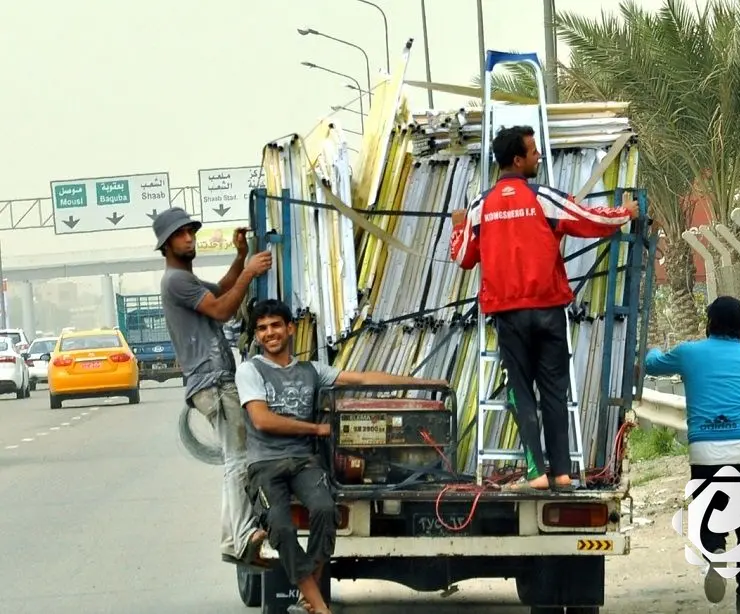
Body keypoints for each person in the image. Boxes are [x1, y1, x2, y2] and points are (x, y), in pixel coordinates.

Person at [448, 124, 639, 493]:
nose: (538, 156)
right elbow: (589, 220)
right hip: (549, 311)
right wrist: (625, 213)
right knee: (554, 391)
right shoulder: (543, 198)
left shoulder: (480, 207)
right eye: (533, 151)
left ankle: (536, 474)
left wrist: (458, 228)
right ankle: (562, 474)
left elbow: (463, 258)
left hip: (508, 315)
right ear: (518, 160)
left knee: (520, 392)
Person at [235, 298, 447, 614]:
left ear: (290, 329)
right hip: (264, 464)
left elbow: (362, 379)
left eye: (275, 325)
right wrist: (316, 429)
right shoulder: (250, 370)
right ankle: (319, 605)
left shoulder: (310, 370)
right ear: (256, 335)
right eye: (262, 328)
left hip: (304, 462)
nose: (269, 333)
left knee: (325, 510)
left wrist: (425, 383)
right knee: (281, 526)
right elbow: (262, 420)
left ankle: (309, 594)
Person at [644, 295, 740, 614]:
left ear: (709, 324)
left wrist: (650, 349)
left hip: (705, 455)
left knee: (710, 517)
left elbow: (651, 365)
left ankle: (716, 553)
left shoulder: (689, 353)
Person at [154, 206, 274, 568]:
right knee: (239, 459)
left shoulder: (185, 280)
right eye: (181, 234)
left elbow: (221, 291)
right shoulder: (175, 281)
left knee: (237, 458)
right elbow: (222, 310)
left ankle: (233, 539)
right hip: (212, 381)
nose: (189, 238)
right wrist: (249, 272)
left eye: (191, 231)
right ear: (166, 245)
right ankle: (242, 537)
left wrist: (240, 258)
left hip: (213, 380)